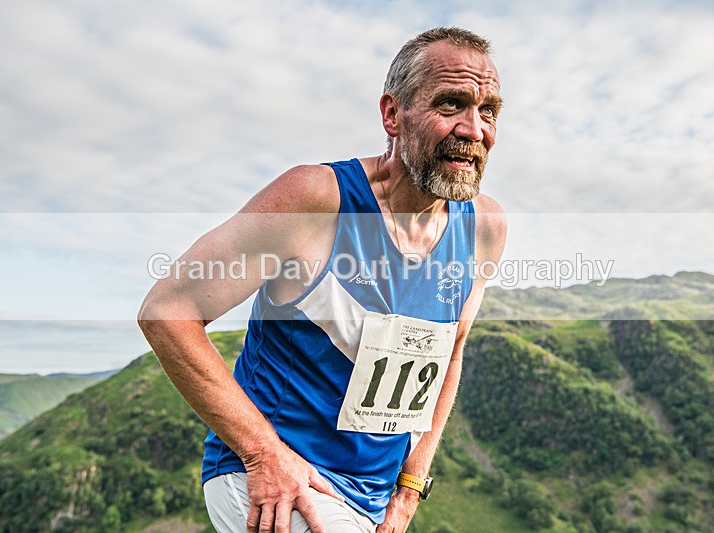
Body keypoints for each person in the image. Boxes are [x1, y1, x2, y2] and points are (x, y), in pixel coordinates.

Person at [138, 26, 507, 533]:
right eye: (450, 105)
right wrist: (265, 455)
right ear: (392, 114)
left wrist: (409, 490)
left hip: (375, 500)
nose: (473, 129)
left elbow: (450, 352)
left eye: (488, 111)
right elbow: (167, 311)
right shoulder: (315, 199)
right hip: (278, 483)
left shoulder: (485, 227)